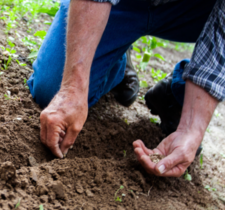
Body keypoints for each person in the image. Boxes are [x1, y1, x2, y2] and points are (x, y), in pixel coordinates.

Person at [27, 0, 224, 177]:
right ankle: (116, 59)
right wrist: (73, 88)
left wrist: (191, 129)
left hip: (194, 10)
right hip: (123, 4)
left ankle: (178, 93)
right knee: (50, 89)